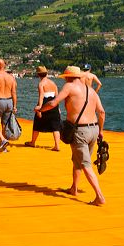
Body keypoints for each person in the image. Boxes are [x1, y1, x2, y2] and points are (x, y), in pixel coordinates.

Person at [37, 66, 106, 206]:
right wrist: (101, 131)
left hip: (80, 131)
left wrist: (40, 109)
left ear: (68, 77)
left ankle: (99, 196)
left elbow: (53, 102)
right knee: (77, 160)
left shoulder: (69, 87)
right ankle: (74, 188)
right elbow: (102, 112)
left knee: (85, 164)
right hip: (94, 129)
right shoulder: (91, 90)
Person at [25, 66, 62, 151]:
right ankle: (57, 145)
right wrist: (58, 107)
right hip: (53, 104)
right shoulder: (53, 83)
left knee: (37, 123)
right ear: (47, 73)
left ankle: (33, 142)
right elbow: (57, 96)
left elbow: (41, 96)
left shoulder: (41, 84)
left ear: (38, 75)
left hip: (45, 104)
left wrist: (39, 107)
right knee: (55, 125)